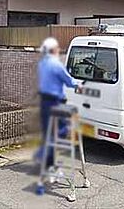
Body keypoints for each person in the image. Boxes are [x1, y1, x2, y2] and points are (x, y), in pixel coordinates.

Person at [36, 37, 79, 166]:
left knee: (47, 131)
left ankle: (48, 163)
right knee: (59, 130)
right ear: (53, 50)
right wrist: (78, 85)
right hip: (55, 102)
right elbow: (69, 81)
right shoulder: (56, 65)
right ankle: (52, 164)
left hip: (43, 101)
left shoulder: (42, 63)